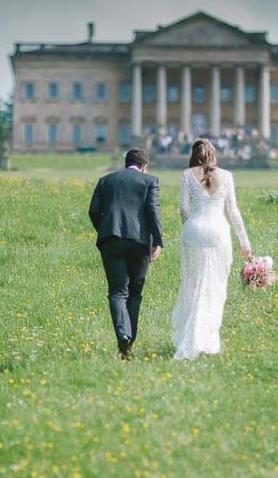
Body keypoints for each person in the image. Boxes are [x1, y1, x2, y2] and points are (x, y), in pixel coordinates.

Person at [172, 139, 251, 360]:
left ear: (194, 155)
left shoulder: (188, 174)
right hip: (218, 233)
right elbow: (233, 212)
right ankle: (207, 339)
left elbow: (183, 208)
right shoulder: (226, 176)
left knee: (193, 284)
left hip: (194, 231)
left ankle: (192, 336)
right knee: (215, 286)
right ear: (214, 155)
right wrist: (244, 241)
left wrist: (189, 225)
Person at [89, 148, 163, 359]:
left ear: (126, 163)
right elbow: (153, 212)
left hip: (110, 241)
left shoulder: (106, 180)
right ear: (144, 166)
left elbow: (93, 211)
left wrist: (105, 229)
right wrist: (157, 241)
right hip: (139, 243)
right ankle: (129, 341)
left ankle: (122, 334)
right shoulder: (149, 181)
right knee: (135, 293)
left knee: (117, 292)